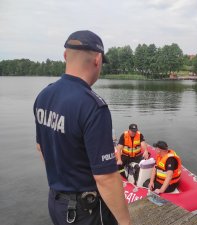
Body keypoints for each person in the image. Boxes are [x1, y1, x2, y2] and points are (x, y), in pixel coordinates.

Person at [33, 30, 131, 225]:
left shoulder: (43, 96)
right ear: (97, 59)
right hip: (85, 211)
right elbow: (106, 177)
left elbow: (41, 147)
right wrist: (125, 221)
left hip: (56, 202)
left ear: (65, 56)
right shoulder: (93, 106)